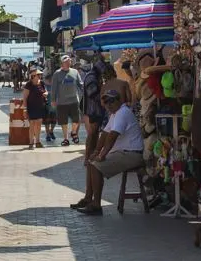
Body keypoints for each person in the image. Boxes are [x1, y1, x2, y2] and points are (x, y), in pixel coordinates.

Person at [72, 88, 144, 216]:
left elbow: (112, 136)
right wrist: (96, 152)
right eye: (105, 102)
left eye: (111, 101)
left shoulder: (122, 113)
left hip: (131, 154)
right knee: (91, 162)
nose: (108, 105)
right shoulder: (115, 114)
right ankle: (88, 198)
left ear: (118, 101)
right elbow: (105, 134)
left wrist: (102, 155)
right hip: (124, 152)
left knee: (96, 166)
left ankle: (96, 205)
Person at [50, 55, 83, 146]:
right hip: (62, 102)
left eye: (69, 61)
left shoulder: (75, 72)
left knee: (77, 119)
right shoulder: (57, 73)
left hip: (74, 100)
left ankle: (73, 132)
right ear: (62, 63)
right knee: (63, 122)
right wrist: (53, 100)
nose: (68, 63)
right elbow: (54, 88)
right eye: (66, 62)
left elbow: (80, 84)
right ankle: (66, 139)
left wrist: (85, 91)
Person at [23, 68, 47, 150]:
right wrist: (25, 110)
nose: (40, 76)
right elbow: (25, 98)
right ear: (33, 76)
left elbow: (45, 91)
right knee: (32, 124)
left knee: (39, 124)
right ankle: (31, 142)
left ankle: (38, 141)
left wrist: (46, 93)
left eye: (40, 74)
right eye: (38, 75)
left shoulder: (42, 83)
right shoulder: (28, 85)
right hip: (31, 107)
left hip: (40, 106)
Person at [43, 64, 57, 143]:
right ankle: (48, 134)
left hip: (54, 106)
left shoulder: (55, 86)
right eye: (49, 79)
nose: (50, 81)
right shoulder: (44, 86)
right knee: (47, 122)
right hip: (47, 106)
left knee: (54, 122)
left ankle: (51, 131)